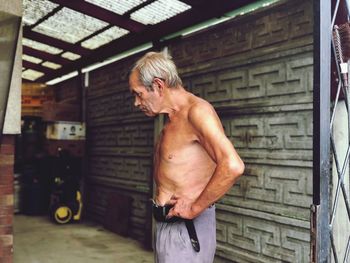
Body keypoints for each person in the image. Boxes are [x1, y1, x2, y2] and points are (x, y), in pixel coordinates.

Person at [129, 50, 244, 263]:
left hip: (186, 230)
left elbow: (233, 165)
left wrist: (194, 208)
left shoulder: (197, 112)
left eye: (138, 94)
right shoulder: (171, 118)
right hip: (169, 227)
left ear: (158, 85)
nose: (136, 102)